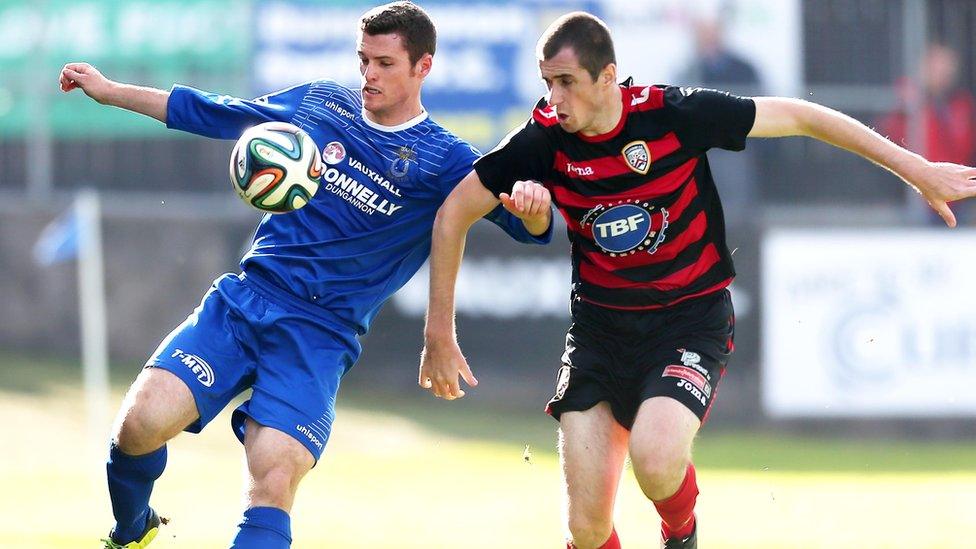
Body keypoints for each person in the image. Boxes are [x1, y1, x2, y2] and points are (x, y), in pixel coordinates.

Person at [418, 12, 976, 549]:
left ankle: (680, 532)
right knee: (587, 531)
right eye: (547, 83)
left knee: (656, 461)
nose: (554, 98)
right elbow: (451, 216)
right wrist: (439, 335)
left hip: (689, 319)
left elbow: (805, 116)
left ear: (607, 76)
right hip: (598, 335)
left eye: (566, 82)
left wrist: (917, 169)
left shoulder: (674, 113)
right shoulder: (542, 140)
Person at [59, 2, 551, 548]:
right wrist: (110, 90)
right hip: (246, 300)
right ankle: (131, 530)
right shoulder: (321, 103)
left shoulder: (446, 160)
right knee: (139, 424)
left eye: (385, 63)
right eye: (364, 60)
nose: (369, 74)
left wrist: (535, 209)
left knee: (272, 477)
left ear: (423, 67)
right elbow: (214, 112)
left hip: (319, 335)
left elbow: (528, 225)